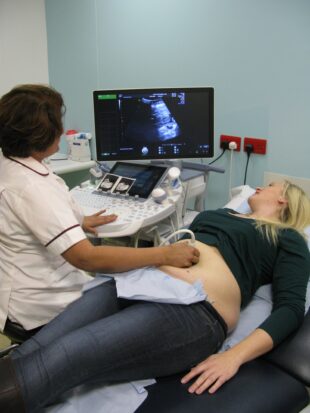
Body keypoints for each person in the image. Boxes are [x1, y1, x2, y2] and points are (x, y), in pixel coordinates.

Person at [0, 176, 309, 412]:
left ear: (283, 199)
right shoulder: (221, 214)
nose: (258, 188)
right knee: (35, 347)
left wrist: (233, 356)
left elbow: (290, 308)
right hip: (138, 282)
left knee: (64, 357)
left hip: (193, 310)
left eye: (268, 185)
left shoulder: (288, 238)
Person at [0, 84, 199, 334]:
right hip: (44, 310)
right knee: (145, 309)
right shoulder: (32, 187)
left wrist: (77, 222)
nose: (62, 131)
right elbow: (87, 258)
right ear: (44, 132)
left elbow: (25, 217)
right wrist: (164, 254)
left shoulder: (10, 165)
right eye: (59, 123)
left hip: (18, 294)